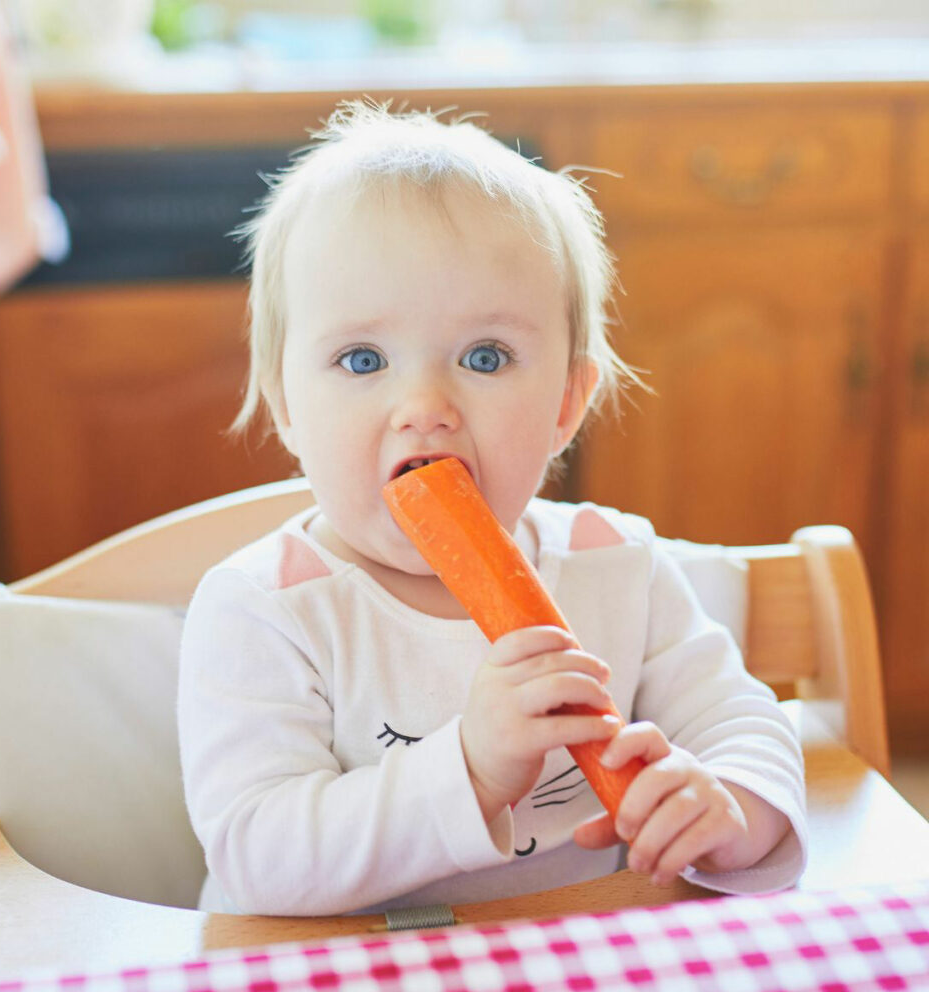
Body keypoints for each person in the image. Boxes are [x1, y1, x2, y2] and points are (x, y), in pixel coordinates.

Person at [177, 100, 806, 916]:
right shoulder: (268, 609)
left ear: (566, 405)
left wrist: (731, 808)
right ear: (286, 406)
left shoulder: (613, 564)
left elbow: (738, 716)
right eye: (362, 359)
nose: (425, 404)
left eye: (486, 356)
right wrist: (468, 769)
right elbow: (258, 850)